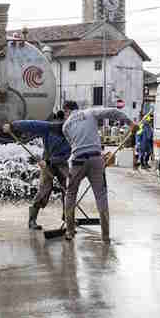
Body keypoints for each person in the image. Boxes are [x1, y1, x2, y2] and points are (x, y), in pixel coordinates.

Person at [56, 101, 132, 243]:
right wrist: (130, 122)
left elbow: (74, 145)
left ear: (67, 111)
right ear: (77, 108)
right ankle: (105, 236)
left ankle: (70, 231)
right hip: (96, 159)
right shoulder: (90, 113)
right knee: (101, 196)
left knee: (70, 194)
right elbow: (113, 112)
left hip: (77, 161)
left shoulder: (65, 126)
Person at [3, 110, 71, 230]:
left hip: (61, 162)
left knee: (68, 190)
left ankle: (68, 218)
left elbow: (69, 152)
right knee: (44, 190)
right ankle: (32, 220)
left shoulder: (71, 130)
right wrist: (12, 126)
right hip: (47, 162)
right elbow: (31, 124)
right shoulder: (48, 127)